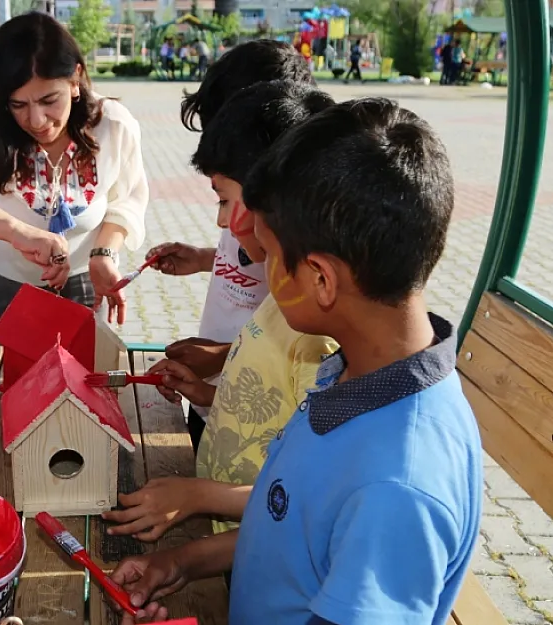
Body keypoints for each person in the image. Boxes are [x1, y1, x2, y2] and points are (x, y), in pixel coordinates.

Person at [114, 99, 483, 625]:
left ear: (320, 279)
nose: (260, 272)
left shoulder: (396, 485)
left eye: (266, 252)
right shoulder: (355, 376)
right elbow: (288, 524)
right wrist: (182, 561)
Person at [103, 81, 337, 548]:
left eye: (224, 199)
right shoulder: (284, 296)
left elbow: (307, 497)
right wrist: (209, 395)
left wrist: (197, 497)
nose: (223, 223)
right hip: (230, 528)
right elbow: (274, 410)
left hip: (258, 543)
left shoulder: (315, 331)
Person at [0, 12, 149, 328]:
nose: (36, 120)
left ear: (75, 80)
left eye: (49, 100)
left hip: (86, 276)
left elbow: (126, 201)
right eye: (18, 104)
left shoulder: (112, 125)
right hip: (8, 280)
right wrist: (17, 232)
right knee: (23, 373)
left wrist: (104, 253)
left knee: (85, 371)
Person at [149, 40, 314, 450]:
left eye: (225, 199)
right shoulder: (251, 213)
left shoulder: (290, 249)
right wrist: (205, 258)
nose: (224, 219)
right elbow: (243, 262)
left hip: (250, 404)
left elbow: (285, 344)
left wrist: (224, 355)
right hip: (216, 393)